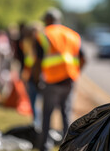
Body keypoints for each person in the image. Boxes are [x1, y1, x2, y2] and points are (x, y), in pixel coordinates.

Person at [32, 8, 86, 151]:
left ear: (48, 20)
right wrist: (75, 72)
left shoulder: (44, 35)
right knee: (66, 113)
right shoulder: (73, 35)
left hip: (52, 81)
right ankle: (69, 146)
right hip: (69, 80)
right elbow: (83, 58)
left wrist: (36, 80)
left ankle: (44, 146)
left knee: (47, 115)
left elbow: (37, 62)